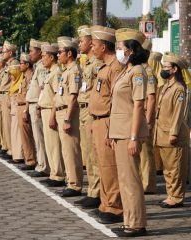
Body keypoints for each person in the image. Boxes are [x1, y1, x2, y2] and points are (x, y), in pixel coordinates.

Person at [109, 28, 149, 237]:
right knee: (124, 179)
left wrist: (134, 137)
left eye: (120, 48)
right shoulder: (126, 71)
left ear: (131, 50)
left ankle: (136, 224)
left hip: (128, 133)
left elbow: (138, 105)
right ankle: (130, 221)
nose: (118, 51)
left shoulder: (138, 72)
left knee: (131, 179)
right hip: (120, 132)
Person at [89, 25, 123, 224]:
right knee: (102, 165)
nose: (92, 48)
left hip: (108, 121)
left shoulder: (115, 68)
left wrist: (111, 128)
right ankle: (105, 203)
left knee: (110, 166)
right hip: (98, 121)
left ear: (103, 47)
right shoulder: (103, 67)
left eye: (94, 45)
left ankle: (115, 206)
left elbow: (116, 100)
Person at [154, 52, 190, 208]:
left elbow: (178, 113)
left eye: (166, 67)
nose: (163, 69)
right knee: (167, 169)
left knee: (175, 168)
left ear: (175, 69)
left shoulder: (179, 89)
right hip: (161, 132)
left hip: (172, 134)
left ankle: (176, 197)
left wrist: (174, 132)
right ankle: (171, 195)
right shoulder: (165, 86)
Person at [74, 25, 102, 209]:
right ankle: (92, 189)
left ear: (91, 43)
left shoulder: (97, 64)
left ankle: (97, 192)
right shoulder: (86, 63)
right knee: (87, 152)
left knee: (94, 154)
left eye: (82, 41)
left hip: (92, 110)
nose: (79, 44)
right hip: (83, 109)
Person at [54, 36, 83, 197]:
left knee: (71, 150)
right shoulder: (66, 71)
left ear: (70, 54)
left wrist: (67, 118)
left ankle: (75, 184)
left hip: (67, 112)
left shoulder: (74, 71)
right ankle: (70, 180)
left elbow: (73, 97)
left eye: (60, 52)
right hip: (61, 111)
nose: (58, 55)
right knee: (66, 150)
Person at [37, 43, 66, 187]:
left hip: (50, 111)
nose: (42, 59)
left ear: (51, 57)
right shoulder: (50, 73)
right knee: (49, 144)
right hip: (45, 110)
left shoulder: (56, 73)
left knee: (54, 145)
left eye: (44, 56)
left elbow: (57, 96)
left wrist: (53, 116)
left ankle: (58, 175)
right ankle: (54, 172)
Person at [23, 39, 50, 175]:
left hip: (37, 105)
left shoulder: (42, 67)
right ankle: (41, 164)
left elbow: (42, 87)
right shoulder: (38, 66)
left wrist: (39, 106)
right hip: (33, 105)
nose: (30, 54)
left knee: (40, 138)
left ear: (39, 52)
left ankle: (43, 166)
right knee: (38, 138)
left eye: (31, 51)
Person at [140, 39, 157, 194]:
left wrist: (149, 120)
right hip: (137, 115)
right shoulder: (139, 70)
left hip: (145, 115)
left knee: (146, 152)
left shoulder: (148, 72)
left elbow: (151, 97)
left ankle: (148, 184)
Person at [0, 40, 19, 160]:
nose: (2, 53)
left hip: (8, 95)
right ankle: (7, 147)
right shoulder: (7, 65)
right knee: (4, 124)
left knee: (9, 124)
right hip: (3, 95)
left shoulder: (14, 63)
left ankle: (12, 149)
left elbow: (14, 82)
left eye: (4, 51)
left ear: (10, 53)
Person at [15, 53, 37, 167]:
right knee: (24, 136)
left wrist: (26, 111)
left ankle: (31, 160)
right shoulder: (24, 77)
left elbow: (29, 95)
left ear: (27, 64)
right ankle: (28, 157)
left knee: (27, 136)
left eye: (21, 63)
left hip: (25, 106)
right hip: (20, 105)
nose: (19, 65)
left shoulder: (30, 77)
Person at [7, 64, 24, 162]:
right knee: (14, 133)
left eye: (12, 74)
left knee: (17, 134)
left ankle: (19, 156)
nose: (11, 77)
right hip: (13, 111)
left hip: (17, 110)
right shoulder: (13, 83)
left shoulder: (20, 83)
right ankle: (15, 154)